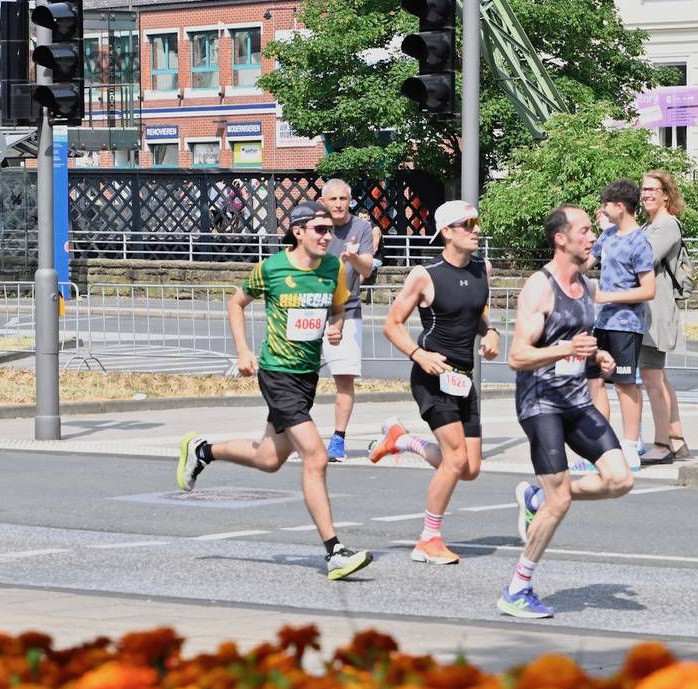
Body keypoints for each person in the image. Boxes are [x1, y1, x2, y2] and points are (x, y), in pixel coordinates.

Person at [174, 201, 373, 581]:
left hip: (306, 376)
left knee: (269, 458)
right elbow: (237, 303)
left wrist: (336, 325)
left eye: (329, 230)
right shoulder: (272, 268)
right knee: (315, 457)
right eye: (319, 229)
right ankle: (334, 551)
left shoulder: (333, 268)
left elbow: (339, 307)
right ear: (298, 231)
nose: (327, 236)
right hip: (277, 373)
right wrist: (243, 350)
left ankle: (202, 450)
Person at [501, 205, 635, 619]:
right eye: (584, 230)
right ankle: (517, 589)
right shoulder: (538, 288)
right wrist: (566, 349)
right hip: (540, 404)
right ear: (561, 239)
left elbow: (581, 347)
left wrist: (600, 360)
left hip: (575, 400)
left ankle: (539, 496)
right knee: (561, 504)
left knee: (621, 479)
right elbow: (517, 356)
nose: (592, 236)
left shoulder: (587, 287)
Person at [371, 200, 499, 565]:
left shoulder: (482, 268)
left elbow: (478, 314)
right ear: (446, 232)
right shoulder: (424, 275)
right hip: (431, 376)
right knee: (456, 459)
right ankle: (429, 538)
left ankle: (402, 440)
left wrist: (490, 333)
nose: (475, 229)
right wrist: (418, 354)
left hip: (464, 378)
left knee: (470, 469)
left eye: (476, 222)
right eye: (467, 223)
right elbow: (392, 323)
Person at [579, 179, 656, 472]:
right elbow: (588, 263)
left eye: (606, 204)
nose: (602, 209)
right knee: (595, 381)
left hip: (627, 323)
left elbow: (648, 289)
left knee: (626, 384)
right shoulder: (608, 236)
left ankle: (630, 445)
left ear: (620, 206)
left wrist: (608, 296)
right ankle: (601, 447)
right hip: (602, 321)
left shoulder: (639, 241)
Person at [318, 178, 381, 461]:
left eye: (343, 199)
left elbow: (367, 269)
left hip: (348, 309)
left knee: (344, 378)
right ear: (323, 203)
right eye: (333, 199)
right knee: (300, 376)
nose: (339, 204)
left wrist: (353, 258)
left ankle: (338, 440)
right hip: (310, 309)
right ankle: (294, 436)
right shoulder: (314, 226)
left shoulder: (362, 227)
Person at [638, 170, 692, 464]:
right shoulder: (650, 226)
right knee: (656, 376)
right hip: (649, 311)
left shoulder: (666, 226)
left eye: (651, 189)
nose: (645, 194)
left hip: (656, 312)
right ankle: (677, 439)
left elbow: (642, 260)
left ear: (666, 195)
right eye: (643, 189)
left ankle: (663, 444)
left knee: (651, 375)